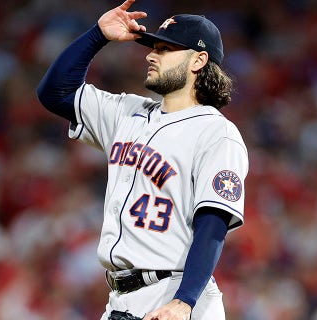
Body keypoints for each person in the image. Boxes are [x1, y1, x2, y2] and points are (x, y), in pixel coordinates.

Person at [36, 0, 248, 319]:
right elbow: (55, 93)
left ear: (198, 61)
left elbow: (213, 224)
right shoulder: (128, 113)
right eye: (153, 47)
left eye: (165, 49)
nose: (151, 55)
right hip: (121, 299)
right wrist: (97, 35)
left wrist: (184, 301)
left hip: (176, 294)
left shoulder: (217, 132)